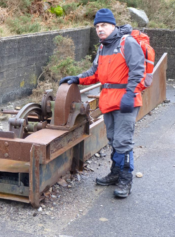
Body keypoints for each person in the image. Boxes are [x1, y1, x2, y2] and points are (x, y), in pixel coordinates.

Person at [59, 8, 145, 198]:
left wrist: (130, 95)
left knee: (123, 141)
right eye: (97, 26)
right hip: (109, 101)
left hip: (125, 101)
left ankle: (125, 179)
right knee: (114, 139)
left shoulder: (127, 43)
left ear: (113, 25)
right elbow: (95, 73)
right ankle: (115, 173)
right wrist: (77, 78)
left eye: (103, 25)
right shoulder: (103, 47)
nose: (100, 29)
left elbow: (138, 70)